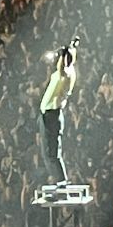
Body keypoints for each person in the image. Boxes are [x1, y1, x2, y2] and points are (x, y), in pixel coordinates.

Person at [39, 37, 79, 182]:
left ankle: (61, 181)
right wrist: (71, 47)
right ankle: (58, 180)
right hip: (46, 113)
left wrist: (64, 54)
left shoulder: (67, 73)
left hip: (52, 114)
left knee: (52, 153)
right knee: (46, 152)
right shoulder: (63, 72)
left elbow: (63, 68)